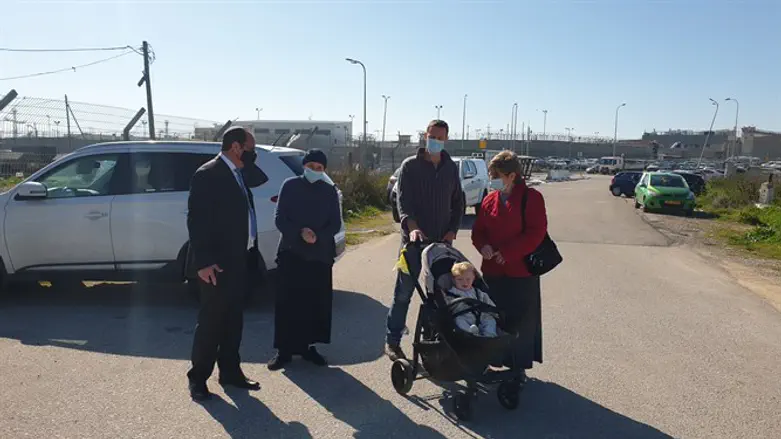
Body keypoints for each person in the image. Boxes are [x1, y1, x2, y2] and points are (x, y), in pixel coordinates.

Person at [185, 126, 268, 401]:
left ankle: (230, 371)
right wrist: (204, 262)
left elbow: (260, 179)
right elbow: (197, 221)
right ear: (236, 147)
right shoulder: (208, 174)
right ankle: (198, 378)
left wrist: (249, 160)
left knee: (234, 320)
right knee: (212, 322)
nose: (253, 154)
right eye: (251, 148)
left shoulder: (240, 172)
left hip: (239, 259)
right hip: (216, 265)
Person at [386, 119, 464, 361]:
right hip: (413, 242)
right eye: (432, 136)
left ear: (446, 139)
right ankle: (393, 339)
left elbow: (457, 202)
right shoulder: (410, 166)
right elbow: (403, 201)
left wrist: (452, 230)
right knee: (403, 292)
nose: (436, 141)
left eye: (441, 138)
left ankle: (433, 341)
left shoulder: (451, 167)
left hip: (441, 244)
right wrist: (412, 228)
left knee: (439, 294)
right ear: (425, 136)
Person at [471, 150, 547, 378]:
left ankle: (518, 367)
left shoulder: (532, 198)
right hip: (493, 272)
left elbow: (536, 233)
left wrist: (509, 252)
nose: (493, 178)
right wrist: (482, 246)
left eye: (497, 174)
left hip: (520, 272)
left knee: (520, 322)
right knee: (492, 317)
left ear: (512, 175)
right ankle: (492, 357)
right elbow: (479, 231)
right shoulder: (489, 200)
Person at [268, 149, 342, 370]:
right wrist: (300, 232)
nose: (315, 171)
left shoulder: (329, 191)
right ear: (304, 166)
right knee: (288, 303)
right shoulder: (290, 186)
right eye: (311, 167)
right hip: (292, 252)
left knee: (314, 304)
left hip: (319, 255)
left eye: (320, 168)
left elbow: (335, 223)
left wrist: (318, 236)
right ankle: (284, 350)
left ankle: (309, 347)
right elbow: (280, 218)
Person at [445, 262, 498, 337]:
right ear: (453, 280)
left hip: (480, 315)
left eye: (468, 279)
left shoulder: (477, 292)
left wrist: (494, 311)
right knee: (459, 321)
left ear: (473, 278)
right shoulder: (451, 292)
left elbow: (487, 302)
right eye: (460, 279)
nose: (464, 282)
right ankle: (472, 333)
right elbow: (447, 306)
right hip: (463, 315)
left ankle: (489, 335)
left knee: (490, 320)